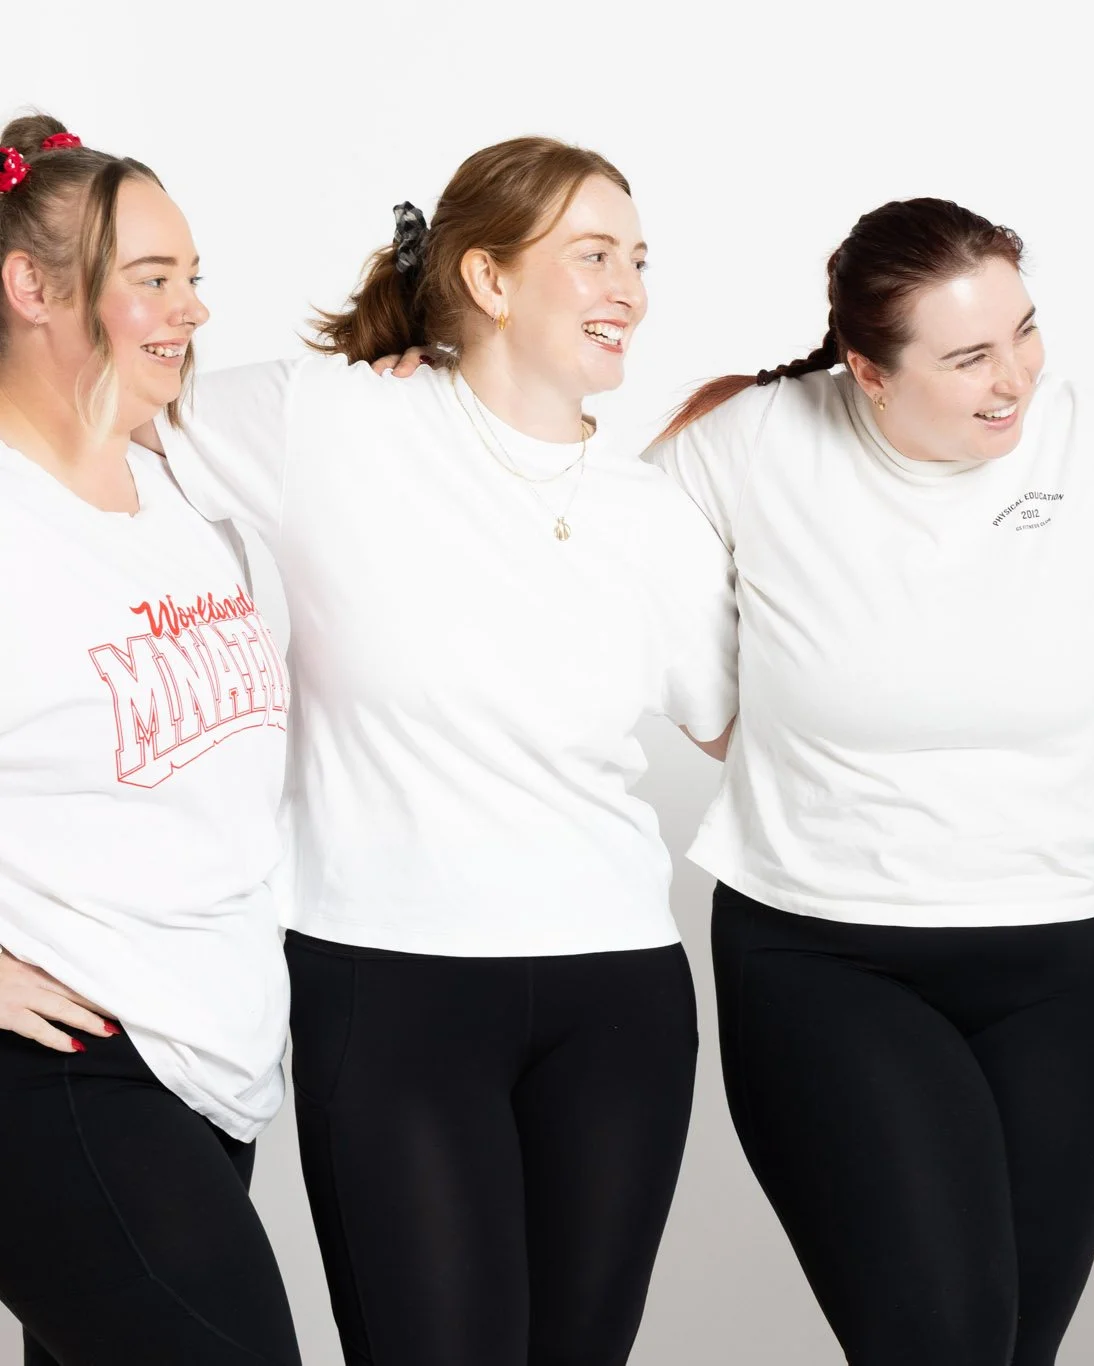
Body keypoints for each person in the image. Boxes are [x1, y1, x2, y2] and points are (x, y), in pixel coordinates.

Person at [139, 137, 736, 1366]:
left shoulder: (658, 513)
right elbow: (80, 405)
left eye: (638, 259)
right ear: (489, 276)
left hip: (618, 991)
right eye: (592, 254)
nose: (628, 284)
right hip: (391, 979)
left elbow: (739, 726)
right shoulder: (328, 417)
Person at [646, 197, 1094, 1366]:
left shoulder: (1091, 441)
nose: (1015, 379)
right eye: (968, 357)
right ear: (867, 370)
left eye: (1024, 333)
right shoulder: (751, 439)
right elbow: (583, 535)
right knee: (941, 1343)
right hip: (827, 959)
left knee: (1007, 1347)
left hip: (1069, 967)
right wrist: (417, 374)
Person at [0, 115, 300, 1365]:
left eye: (193, 280)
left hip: (213, 1049)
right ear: (30, 287)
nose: (191, 311)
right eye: (153, 280)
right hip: (63, 1057)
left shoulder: (181, 486)